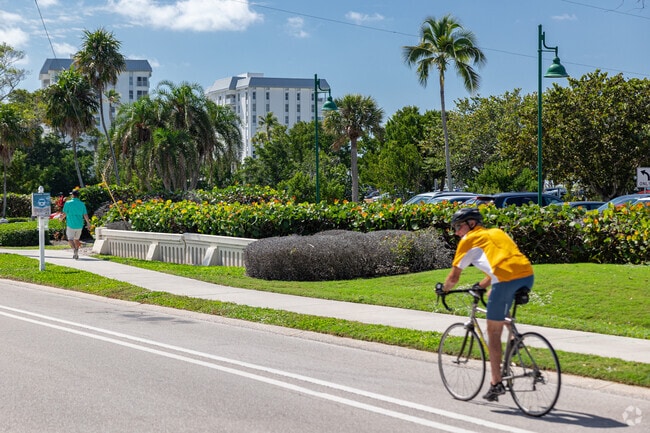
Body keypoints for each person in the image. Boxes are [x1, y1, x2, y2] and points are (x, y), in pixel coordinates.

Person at [441, 207, 534, 402]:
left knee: (493, 332)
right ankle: (514, 338)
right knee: (496, 299)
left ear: (471, 224)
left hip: (505, 279)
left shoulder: (468, 240)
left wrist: (444, 289)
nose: (457, 232)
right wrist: (481, 285)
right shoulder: (497, 232)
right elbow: (499, 264)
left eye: (459, 226)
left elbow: (454, 276)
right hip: (527, 274)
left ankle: (496, 383)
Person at [61, 189, 91, 260]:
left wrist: (61, 218)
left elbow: (64, 213)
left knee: (70, 239)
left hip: (71, 224)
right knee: (76, 239)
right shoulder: (82, 204)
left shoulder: (68, 203)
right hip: (79, 225)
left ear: (72, 195)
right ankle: (77, 251)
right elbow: (85, 214)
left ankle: (74, 250)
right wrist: (88, 223)